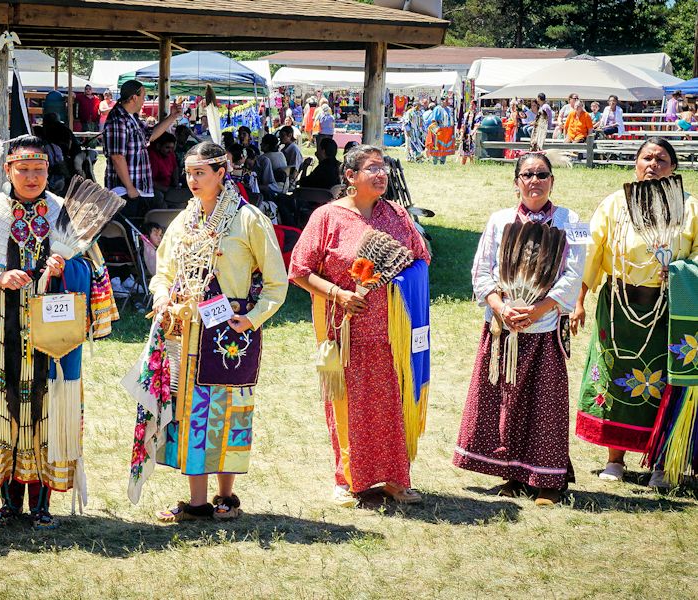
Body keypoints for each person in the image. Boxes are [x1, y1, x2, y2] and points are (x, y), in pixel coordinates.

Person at [0, 134, 118, 529]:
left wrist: (66, 269)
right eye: (23, 168)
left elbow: (97, 274)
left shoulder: (67, 214)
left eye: (39, 169)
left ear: (48, 171)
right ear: (8, 170)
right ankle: (9, 502)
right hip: (1, 332)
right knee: (3, 409)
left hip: (53, 338)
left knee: (49, 410)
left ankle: (42, 504)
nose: (32, 176)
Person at [133, 141, 287, 521]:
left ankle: (226, 498)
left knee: (227, 413)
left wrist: (252, 318)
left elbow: (276, 282)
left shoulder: (248, 219)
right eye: (188, 173)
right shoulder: (184, 220)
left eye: (200, 172)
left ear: (222, 172)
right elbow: (164, 271)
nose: (192, 180)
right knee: (188, 411)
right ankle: (197, 503)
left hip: (229, 334)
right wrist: (160, 298)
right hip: (183, 330)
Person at [288, 145, 431, 507]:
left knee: (392, 405)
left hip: (391, 332)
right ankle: (347, 479)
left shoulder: (396, 215)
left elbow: (421, 258)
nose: (381, 174)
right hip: (344, 331)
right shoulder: (328, 217)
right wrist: (339, 294)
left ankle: (396, 479)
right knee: (347, 405)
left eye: (383, 168)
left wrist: (395, 277)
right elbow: (299, 271)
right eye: (372, 169)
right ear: (350, 177)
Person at [454, 153, 585, 506]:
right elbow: (481, 270)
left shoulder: (572, 221)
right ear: (516, 182)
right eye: (528, 174)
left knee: (545, 403)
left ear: (552, 181)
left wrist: (540, 308)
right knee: (505, 399)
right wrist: (500, 306)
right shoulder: (498, 220)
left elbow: (574, 274)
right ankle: (511, 473)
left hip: (544, 326)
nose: (535, 180)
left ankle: (548, 481)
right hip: (503, 327)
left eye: (542, 174)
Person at [571, 138, 698, 488]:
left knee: (665, 384)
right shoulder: (615, 204)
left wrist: (679, 270)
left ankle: (661, 461)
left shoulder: (690, 209)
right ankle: (615, 459)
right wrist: (579, 300)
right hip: (617, 307)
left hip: (671, 310)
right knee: (615, 377)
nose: (652, 164)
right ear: (635, 163)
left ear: (674, 168)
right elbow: (591, 251)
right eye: (646, 157)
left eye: (661, 159)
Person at [103, 80, 182, 218]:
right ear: (134, 97)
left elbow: (150, 136)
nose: (144, 100)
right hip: (124, 191)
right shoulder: (118, 119)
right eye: (143, 96)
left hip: (136, 189)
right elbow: (117, 156)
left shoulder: (131, 117)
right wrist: (129, 187)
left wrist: (172, 117)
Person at [148, 131, 179, 206]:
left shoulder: (171, 154)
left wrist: (176, 184)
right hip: (154, 189)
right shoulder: (152, 156)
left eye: (172, 148)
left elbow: (175, 169)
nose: (170, 151)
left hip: (168, 187)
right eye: (167, 147)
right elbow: (149, 182)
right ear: (158, 146)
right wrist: (166, 189)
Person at [426, 95, 455, 165]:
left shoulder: (449, 109)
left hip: (447, 131)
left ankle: (442, 162)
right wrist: (436, 130)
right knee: (437, 146)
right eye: (446, 100)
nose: (448, 102)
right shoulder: (437, 109)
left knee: (445, 146)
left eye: (448, 100)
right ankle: (435, 162)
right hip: (439, 131)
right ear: (442, 101)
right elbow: (433, 120)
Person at [458, 100, 482, 166]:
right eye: (470, 105)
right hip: (466, 135)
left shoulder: (478, 115)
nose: (471, 106)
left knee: (472, 154)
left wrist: (473, 133)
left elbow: (477, 125)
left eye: (472, 105)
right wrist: (461, 134)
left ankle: (472, 166)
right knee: (464, 152)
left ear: (475, 106)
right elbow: (463, 125)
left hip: (473, 136)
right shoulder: (466, 115)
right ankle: (463, 165)